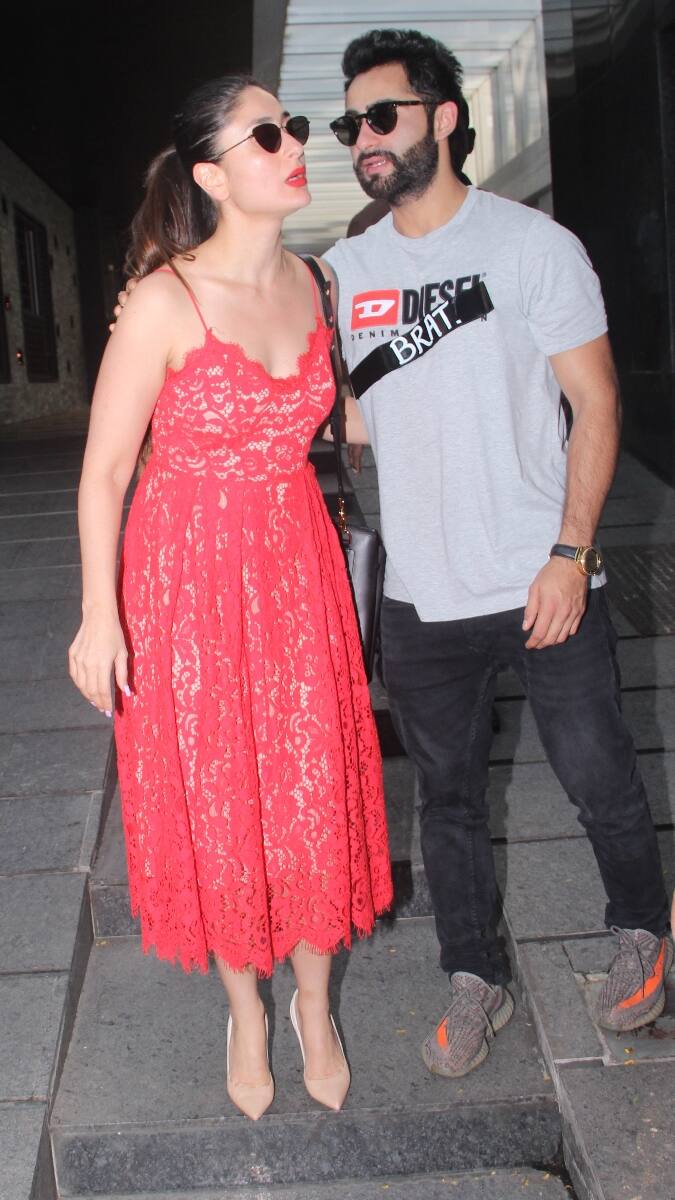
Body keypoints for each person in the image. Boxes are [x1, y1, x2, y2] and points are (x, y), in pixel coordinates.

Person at [317, 28, 671, 1077]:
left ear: (443, 117)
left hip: (538, 575)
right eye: (349, 125)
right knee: (449, 800)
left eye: (383, 116)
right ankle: (475, 976)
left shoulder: (532, 246)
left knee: (599, 774)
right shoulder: (345, 271)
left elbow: (596, 404)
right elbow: (348, 410)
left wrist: (571, 552)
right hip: (420, 594)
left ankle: (642, 933)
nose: (364, 139)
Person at [68, 73, 392, 1121]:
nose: (294, 145)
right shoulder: (163, 300)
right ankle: (247, 1010)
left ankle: (314, 1003)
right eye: (267, 135)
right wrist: (99, 616)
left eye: (291, 128)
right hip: (185, 579)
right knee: (221, 797)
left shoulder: (318, 283)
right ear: (211, 175)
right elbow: (104, 474)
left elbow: (345, 417)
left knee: (306, 781)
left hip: (295, 566)